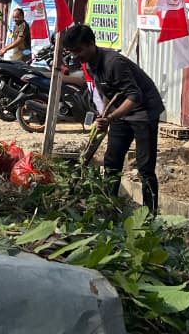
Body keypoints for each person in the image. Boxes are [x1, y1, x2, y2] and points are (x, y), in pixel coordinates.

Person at [62, 23, 165, 215]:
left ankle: (150, 216)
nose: (76, 56)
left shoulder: (113, 63)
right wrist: (105, 115)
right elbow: (107, 91)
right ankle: (109, 208)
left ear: (91, 43)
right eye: (72, 52)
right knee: (112, 161)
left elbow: (135, 97)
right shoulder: (88, 63)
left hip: (144, 112)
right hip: (120, 112)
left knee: (145, 167)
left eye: (79, 50)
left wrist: (110, 117)